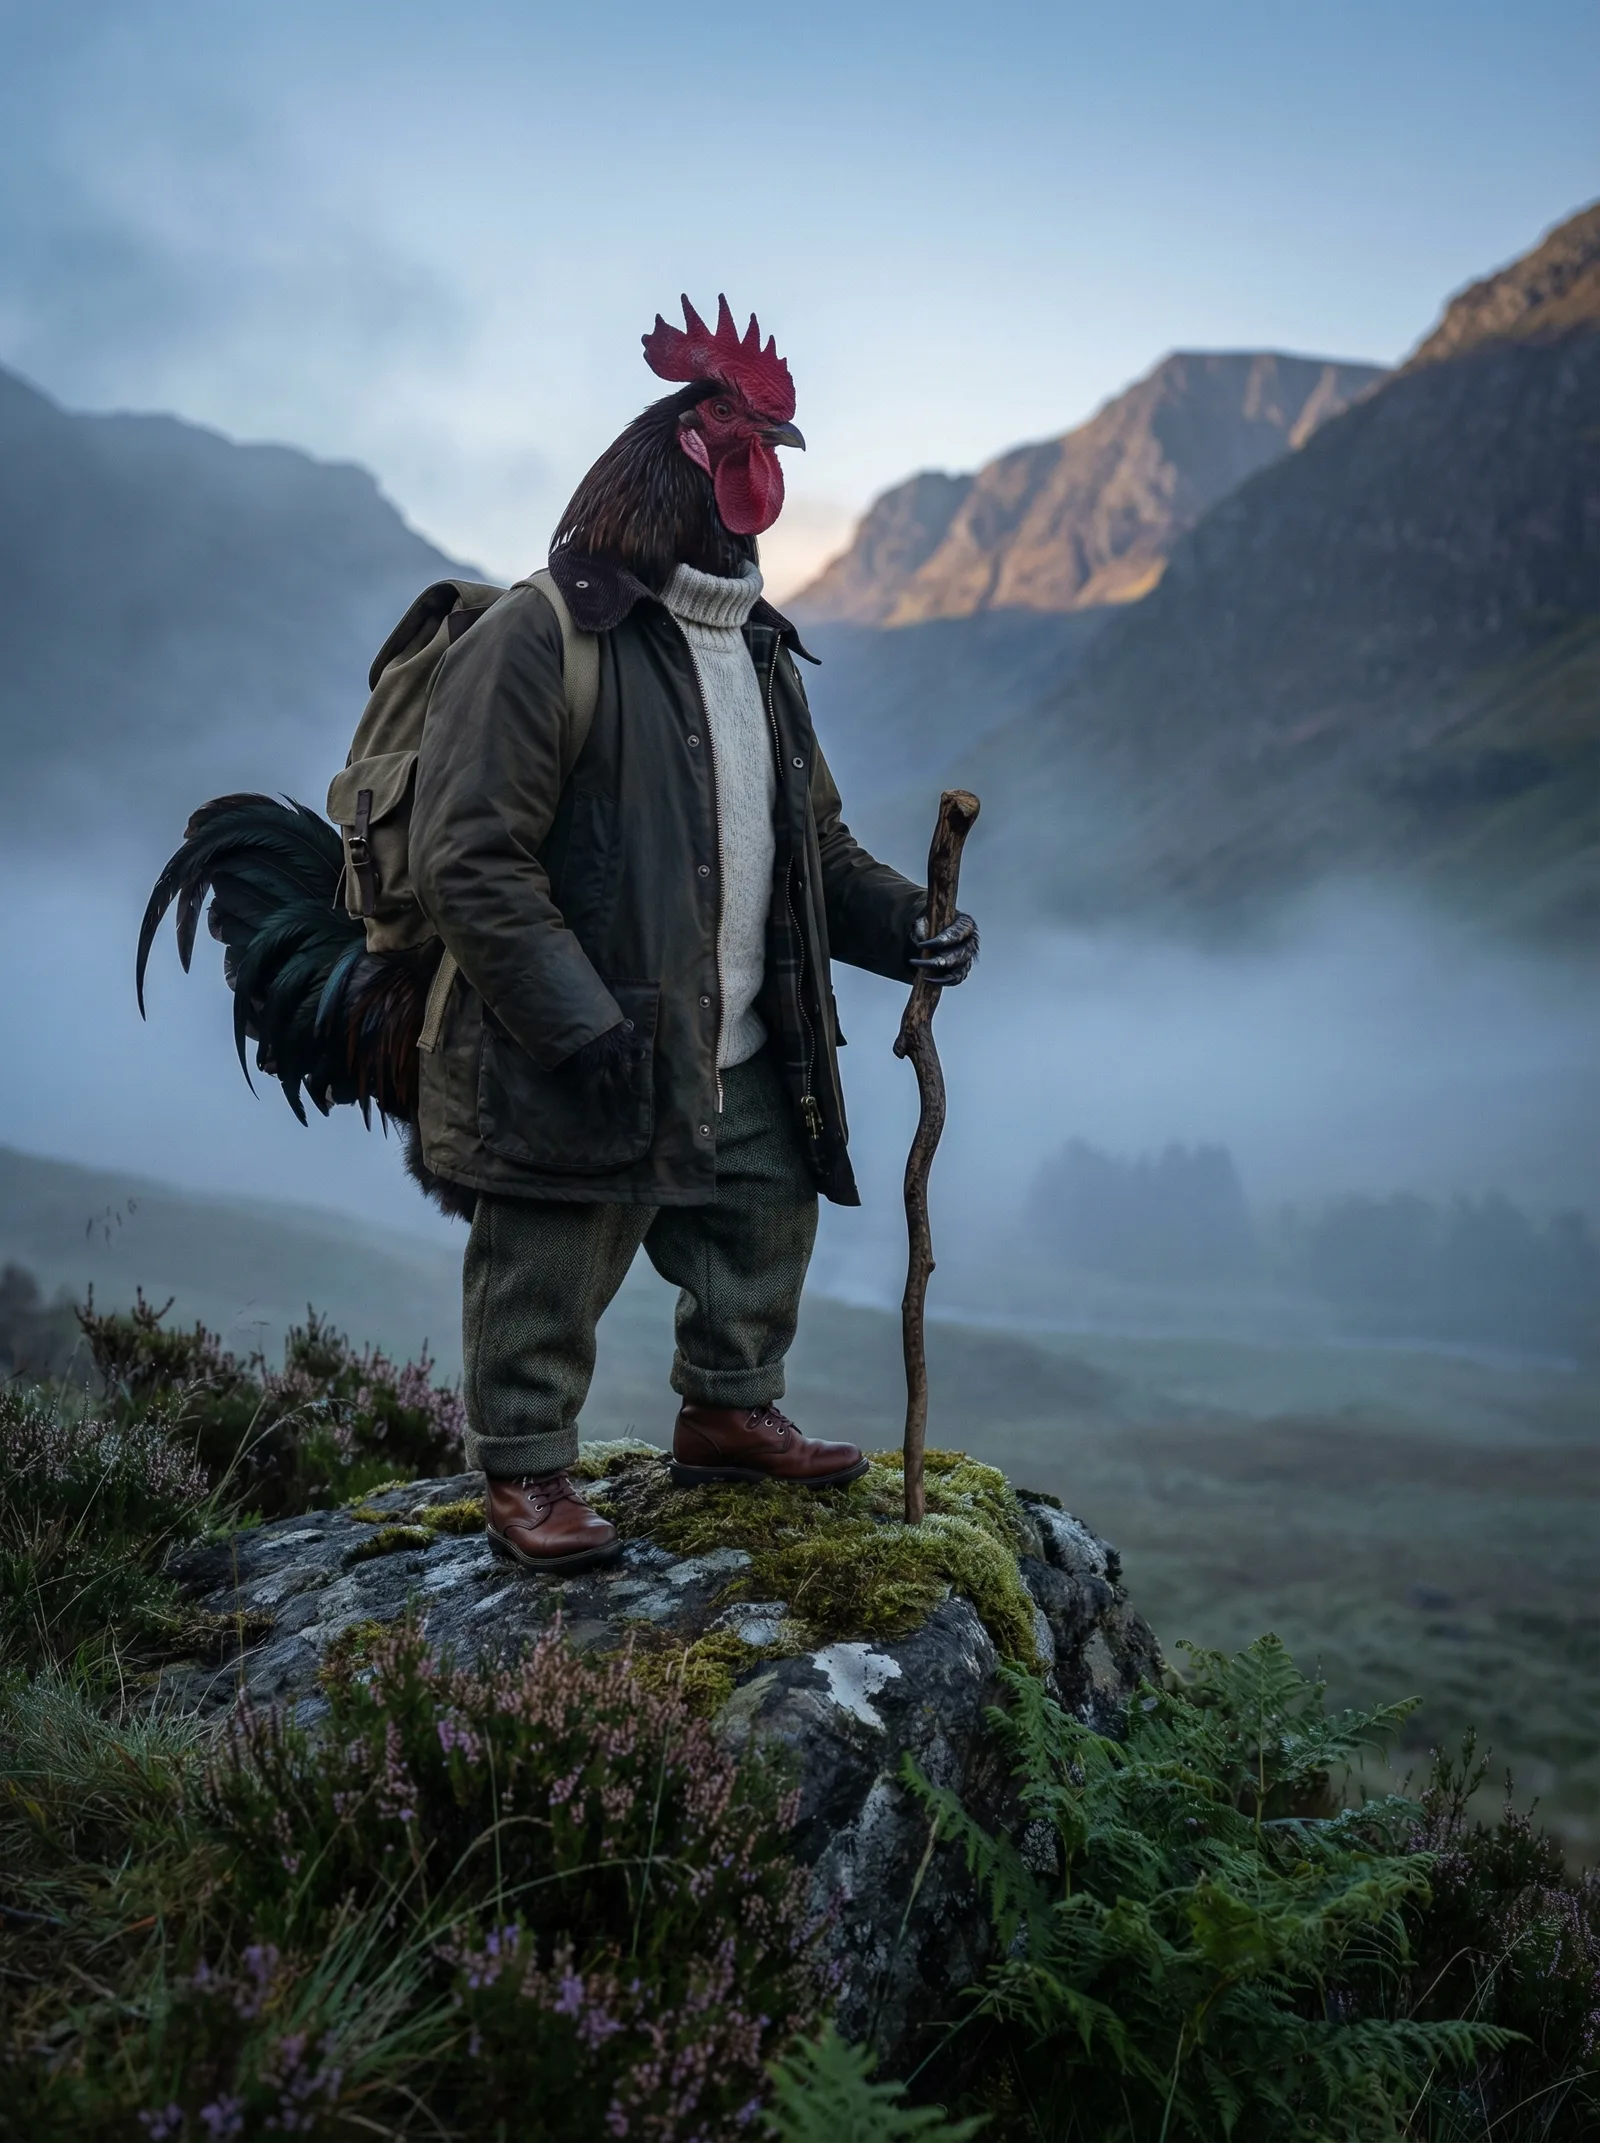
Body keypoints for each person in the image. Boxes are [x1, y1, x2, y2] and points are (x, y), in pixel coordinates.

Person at [407, 298, 978, 1572]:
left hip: (739, 1029)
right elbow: (471, 857)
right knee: (552, 1242)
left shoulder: (761, 652)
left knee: (763, 1212)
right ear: (679, 445)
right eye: (732, 419)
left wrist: (913, 927)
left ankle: (729, 1405)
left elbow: (810, 849)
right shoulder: (546, 632)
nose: (762, 437)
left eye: (766, 424)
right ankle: (526, 1473)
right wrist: (573, 1018)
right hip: (584, 1031)